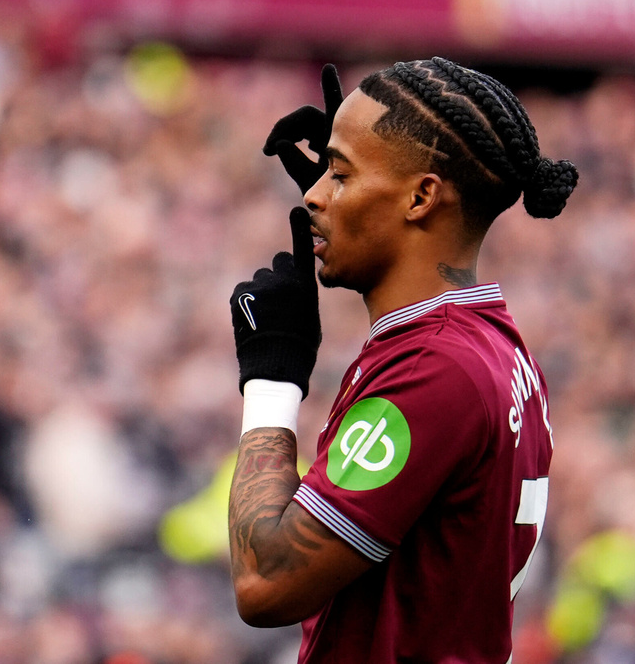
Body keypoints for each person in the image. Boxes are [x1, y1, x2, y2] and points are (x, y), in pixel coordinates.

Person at [227, 57, 577, 663]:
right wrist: (359, 188)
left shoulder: (434, 369)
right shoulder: (494, 345)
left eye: (338, 174)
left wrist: (271, 380)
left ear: (420, 197)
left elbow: (266, 583)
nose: (312, 195)